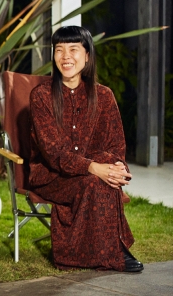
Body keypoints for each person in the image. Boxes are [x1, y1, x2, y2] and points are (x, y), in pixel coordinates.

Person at [28, 25, 142, 272]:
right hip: (52, 176)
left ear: (87, 56)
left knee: (102, 180)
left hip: (94, 172)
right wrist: (94, 167)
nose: (65, 56)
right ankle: (114, 252)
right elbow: (54, 154)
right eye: (59, 50)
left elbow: (116, 144)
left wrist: (115, 167)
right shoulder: (41, 96)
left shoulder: (104, 96)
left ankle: (106, 252)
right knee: (95, 182)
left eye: (73, 49)